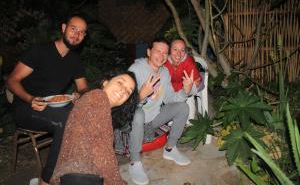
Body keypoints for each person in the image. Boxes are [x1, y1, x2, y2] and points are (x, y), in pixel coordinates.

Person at [6, 15, 89, 185]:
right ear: (64, 27)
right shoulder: (39, 51)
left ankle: (71, 170)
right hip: (26, 107)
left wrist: (78, 95)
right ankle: (46, 180)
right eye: (73, 28)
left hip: (54, 108)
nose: (77, 34)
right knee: (66, 122)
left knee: (82, 116)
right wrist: (30, 99)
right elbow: (11, 80)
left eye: (82, 32)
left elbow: (83, 88)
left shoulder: (74, 60)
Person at [50, 70, 139, 185]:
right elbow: (101, 150)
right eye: (120, 83)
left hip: (77, 173)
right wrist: (117, 182)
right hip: (80, 175)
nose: (123, 90)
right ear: (105, 82)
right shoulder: (98, 96)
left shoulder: (97, 102)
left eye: (128, 91)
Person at [128, 38, 196, 185]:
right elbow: (125, 105)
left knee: (183, 107)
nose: (162, 55)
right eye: (158, 51)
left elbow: (171, 98)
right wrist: (140, 95)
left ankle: (170, 149)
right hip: (134, 121)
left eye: (165, 52)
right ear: (148, 52)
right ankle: (134, 162)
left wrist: (186, 91)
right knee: (138, 113)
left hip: (154, 119)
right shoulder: (135, 70)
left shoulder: (165, 73)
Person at [164, 39, 203, 121]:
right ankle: (171, 118)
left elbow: (197, 81)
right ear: (169, 50)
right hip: (173, 85)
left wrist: (186, 90)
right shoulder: (164, 62)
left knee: (188, 96)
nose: (179, 54)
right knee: (169, 95)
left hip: (193, 83)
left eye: (182, 50)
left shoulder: (188, 62)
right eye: (175, 49)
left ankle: (190, 121)